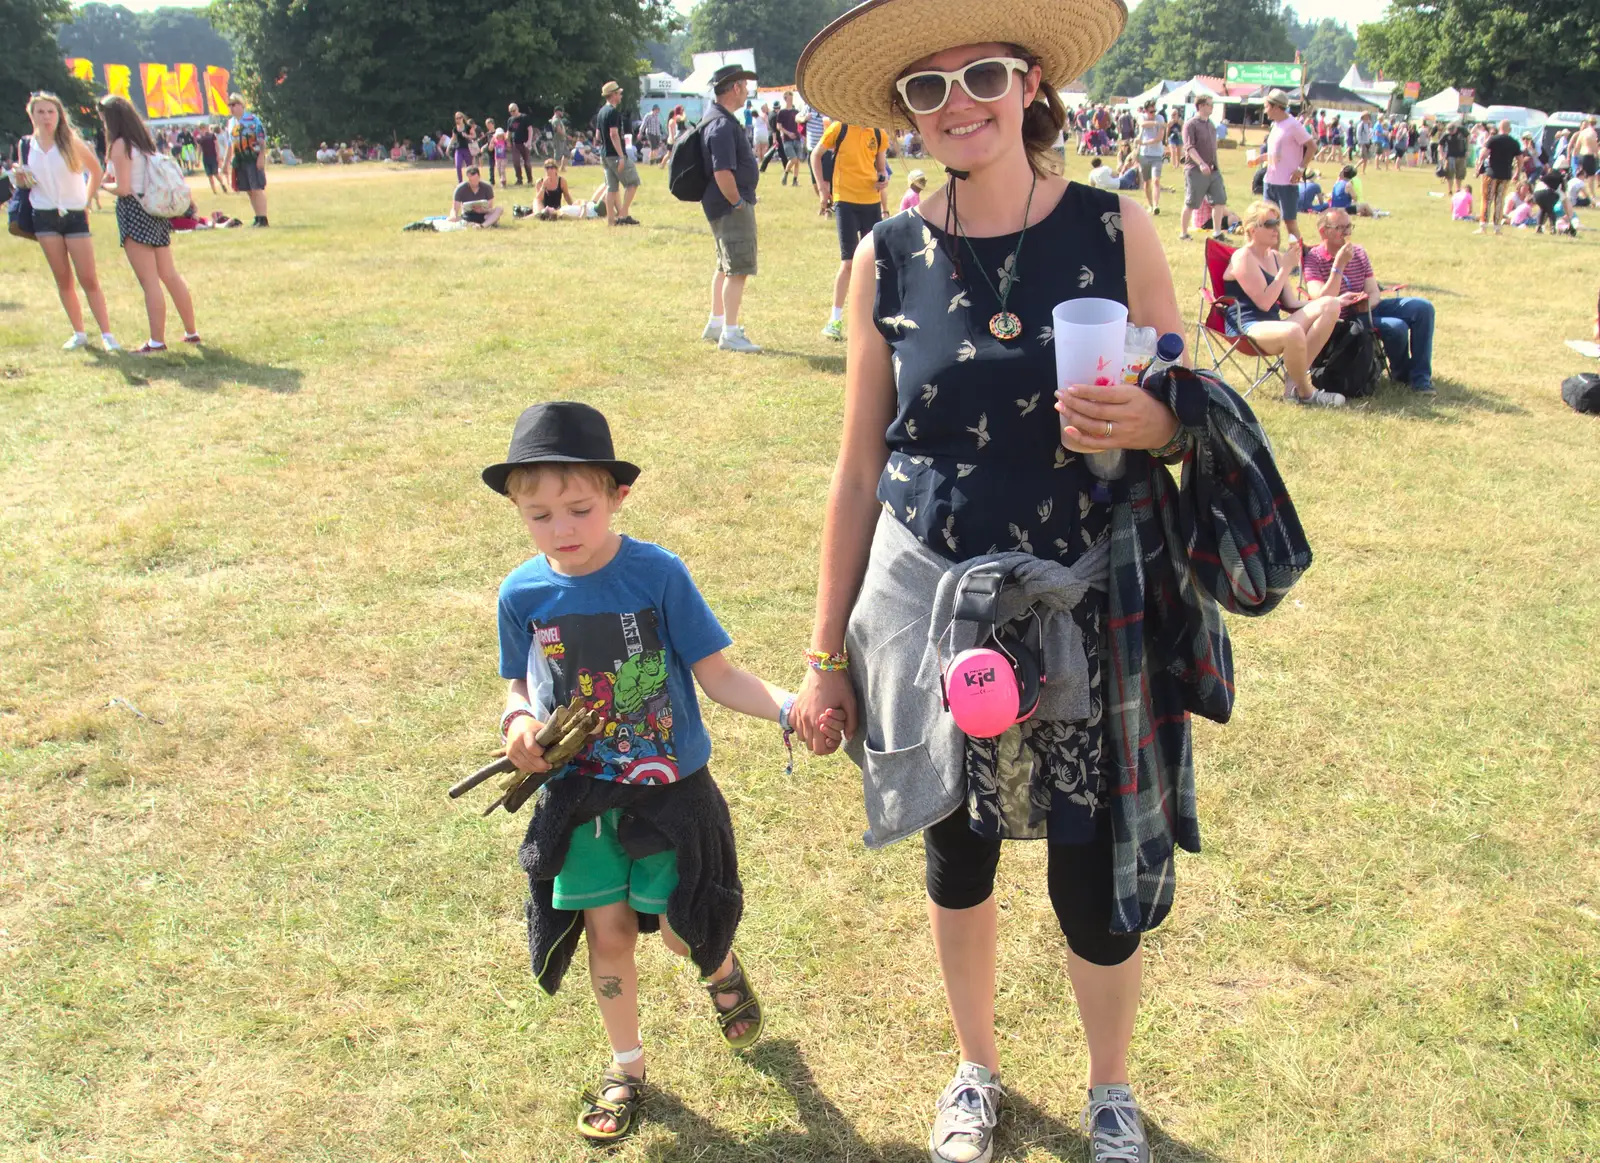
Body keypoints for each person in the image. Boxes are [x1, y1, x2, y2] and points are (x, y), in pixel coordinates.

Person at [793, 6, 1316, 1162]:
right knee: (957, 849)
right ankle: (974, 1069)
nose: (958, 103)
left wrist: (1155, 416)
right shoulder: (885, 254)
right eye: (927, 91)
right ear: (906, 116)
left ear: (1029, 83)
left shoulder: (1112, 223)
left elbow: (1179, 380)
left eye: (981, 75)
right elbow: (857, 462)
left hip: (1085, 597)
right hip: (932, 600)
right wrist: (824, 650)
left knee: (1091, 864)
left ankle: (1109, 1090)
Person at [483, 401, 836, 1143]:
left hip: (669, 790)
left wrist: (787, 710)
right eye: (539, 515)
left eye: (579, 508)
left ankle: (719, 960)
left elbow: (720, 676)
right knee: (607, 934)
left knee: (680, 928)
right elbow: (519, 684)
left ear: (617, 496)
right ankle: (627, 1066)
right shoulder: (521, 594)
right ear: (517, 509)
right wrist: (517, 722)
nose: (563, 529)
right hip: (578, 796)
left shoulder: (657, 575)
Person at [13, 92, 119, 352]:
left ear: (59, 114)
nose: (46, 117)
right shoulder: (26, 145)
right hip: (44, 215)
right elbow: (26, 179)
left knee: (88, 278)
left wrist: (85, 200)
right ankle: (79, 332)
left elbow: (96, 170)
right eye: (41, 112)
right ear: (32, 115)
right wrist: (21, 178)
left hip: (73, 214)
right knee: (63, 278)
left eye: (51, 111)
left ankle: (107, 334)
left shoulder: (71, 142)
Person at [97, 95, 199, 353]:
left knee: (149, 281)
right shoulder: (142, 142)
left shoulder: (120, 145)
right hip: (154, 210)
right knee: (170, 275)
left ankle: (156, 341)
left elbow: (123, 188)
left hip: (135, 210)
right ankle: (191, 331)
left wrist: (101, 184)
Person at [1223, 199, 1347, 406]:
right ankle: (1307, 393)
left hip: (1274, 325)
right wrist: (1285, 270)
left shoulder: (1275, 257)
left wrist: (1332, 300)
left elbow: (1289, 301)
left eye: (1277, 223)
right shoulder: (1242, 257)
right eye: (1270, 224)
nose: (1276, 229)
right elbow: (1263, 302)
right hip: (1248, 327)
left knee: (1330, 305)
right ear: (1252, 230)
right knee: (1292, 331)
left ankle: (1293, 384)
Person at [1304, 208, 1434, 393]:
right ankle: (1403, 375)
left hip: (1367, 308)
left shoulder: (1358, 252)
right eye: (1340, 228)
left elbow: (1373, 291)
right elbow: (1321, 299)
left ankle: (1421, 378)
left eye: (1349, 227)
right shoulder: (1314, 258)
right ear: (1323, 231)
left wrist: (1365, 303)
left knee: (1423, 308)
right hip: (1343, 317)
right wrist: (1339, 265)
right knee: (1397, 327)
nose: (1347, 233)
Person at [698, 64, 763, 354]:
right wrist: (737, 201)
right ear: (735, 88)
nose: (747, 91)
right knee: (737, 269)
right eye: (744, 86)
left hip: (721, 205)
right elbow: (722, 171)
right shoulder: (722, 124)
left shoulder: (716, 119)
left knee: (724, 266)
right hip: (730, 206)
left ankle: (717, 322)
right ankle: (731, 332)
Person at [812, 114, 888, 341]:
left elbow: (881, 169)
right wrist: (822, 189)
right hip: (844, 200)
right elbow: (815, 155)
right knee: (848, 263)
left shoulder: (878, 132)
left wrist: (883, 180)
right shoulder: (839, 128)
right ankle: (834, 320)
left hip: (871, 201)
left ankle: (874, 320)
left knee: (875, 262)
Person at [1262, 89, 1313, 255]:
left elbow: (1312, 147)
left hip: (1286, 182)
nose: (1264, 110)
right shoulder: (1276, 125)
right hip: (1270, 181)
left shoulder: (1293, 125)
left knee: (1289, 221)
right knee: (1270, 222)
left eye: (1266, 106)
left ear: (1276, 107)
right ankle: (1273, 258)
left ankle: (1299, 257)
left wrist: (1300, 169)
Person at [1180, 94, 1229, 241]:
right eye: (1209, 104)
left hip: (1213, 171)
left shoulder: (1211, 125)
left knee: (1219, 200)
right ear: (1201, 106)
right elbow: (1189, 147)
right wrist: (1201, 163)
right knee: (1191, 202)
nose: (1212, 107)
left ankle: (1217, 232)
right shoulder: (1191, 125)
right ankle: (1183, 233)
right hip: (1195, 170)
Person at [597, 81, 641, 226]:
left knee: (611, 188)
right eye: (619, 93)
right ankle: (622, 215)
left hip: (605, 155)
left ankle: (611, 221)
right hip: (615, 155)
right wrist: (621, 156)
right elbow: (614, 134)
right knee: (633, 182)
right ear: (613, 95)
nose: (621, 96)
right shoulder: (613, 112)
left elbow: (598, 136)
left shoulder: (601, 112)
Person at [222, 92, 269, 227]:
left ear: (241, 105)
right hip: (240, 159)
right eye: (229, 105)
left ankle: (263, 218)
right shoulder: (231, 123)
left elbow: (262, 140)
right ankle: (258, 217)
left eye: (234, 104)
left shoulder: (252, 120)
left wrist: (261, 157)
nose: (231, 107)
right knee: (248, 189)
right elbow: (230, 145)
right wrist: (226, 164)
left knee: (257, 188)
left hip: (252, 157)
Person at [1473, 120, 1521, 236]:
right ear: (1509, 129)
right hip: (1505, 175)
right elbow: (1520, 159)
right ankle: (1497, 228)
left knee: (1487, 199)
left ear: (1499, 128)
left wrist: (1479, 166)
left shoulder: (1493, 139)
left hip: (1491, 173)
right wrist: (1517, 172)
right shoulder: (1514, 142)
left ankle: (1483, 226)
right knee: (1499, 201)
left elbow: (1483, 154)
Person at [1136, 101, 1164, 214]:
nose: (1154, 113)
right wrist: (1157, 123)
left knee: (1156, 180)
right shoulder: (1141, 116)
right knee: (1146, 183)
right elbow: (1142, 124)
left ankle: (1156, 205)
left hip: (1157, 154)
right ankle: (1150, 205)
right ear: (1146, 111)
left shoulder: (1160, 117)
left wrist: (1144, 143)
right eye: (1151, 111)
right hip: (1144, 155)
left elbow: (1159, 138)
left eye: (1155, 111)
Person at [506, 103, 534, 185]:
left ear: (517, 109)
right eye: (510, 111)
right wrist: (508, 141)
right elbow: (509, 132)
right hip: (515, 144)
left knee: (527, 163)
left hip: (525, 143)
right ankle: (519, 179)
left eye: (513, 110)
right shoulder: (510, 120)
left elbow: (530, 130)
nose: (512, 113)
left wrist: (529, 141)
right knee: (516, 162)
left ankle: (530, 179)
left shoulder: (524, 117)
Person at [1572, 117, 1599, 200]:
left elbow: (1577, 146)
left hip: (1582, 156)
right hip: (1590, 156)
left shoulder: (1582, 133)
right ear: (1595, 123)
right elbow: (1594, 147)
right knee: (1591, 177)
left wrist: (1574, 158)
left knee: (1581, 176)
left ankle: (1581, 194)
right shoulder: (1593, 133)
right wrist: (1597, 155)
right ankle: (1592, 196)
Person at [1439, 121, 1468, 195]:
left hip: (1461, 156)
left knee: (1460, 173)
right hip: (1450, 156)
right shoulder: (1446, 134)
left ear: (1455, 129)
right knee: (1449, 173)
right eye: (1449, 131)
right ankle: (1450, 190)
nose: (1451, 133)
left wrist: (1467, 149)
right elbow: (1440, 145)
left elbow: (1468, 136)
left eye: (1452, 131)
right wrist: (1441, 155)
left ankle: (1458, 189)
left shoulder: (1462, 130)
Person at [549, 107, 571, 172]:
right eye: (561, 112)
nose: (562, 113)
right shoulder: (556, 120)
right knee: (558, 157)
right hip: (558, 140)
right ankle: (554, 170)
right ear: (557, 112)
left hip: (562, 140)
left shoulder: (558, 120)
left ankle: (562, 168)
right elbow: (559, 130)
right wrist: (567, 136)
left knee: (567, 154)